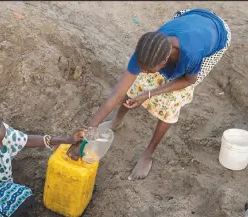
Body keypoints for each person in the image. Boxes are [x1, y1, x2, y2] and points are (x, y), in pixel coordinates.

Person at [68, 8, 231, 180]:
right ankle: (117, 121)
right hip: (192, 18)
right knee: (137, 85)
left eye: (148, 69)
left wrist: (149, 94)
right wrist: (90, 129)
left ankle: (148, 154)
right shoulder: (148, 48)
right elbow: (118, 93)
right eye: (142, 67)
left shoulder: (192, 55)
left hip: (217, 34)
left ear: (164, 61)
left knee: (172, 101)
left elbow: (188, 81)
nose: (143, 72)